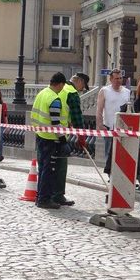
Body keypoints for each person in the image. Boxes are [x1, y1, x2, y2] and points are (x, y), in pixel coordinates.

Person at [31, 72, 68, 209]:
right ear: (60, 84)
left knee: (42, 169)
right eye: (62, 87)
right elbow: (56, 122)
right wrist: (63, 139)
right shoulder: (54, 99)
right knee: (48, 170)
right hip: (50, 139)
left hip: (40, 135)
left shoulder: (42, 94)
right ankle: (44, 199)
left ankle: (39, 196)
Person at [53, 73, 89, 206]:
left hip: (44, 133)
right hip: (59, 135)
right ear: (79, 81)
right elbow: (77, 116)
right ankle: (58, 195)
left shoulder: (54, 89)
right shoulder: (72, 92)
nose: (81, 90)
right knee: (60, 166)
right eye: (83, 87)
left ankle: (45, 194)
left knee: (48, 166)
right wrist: (81, 135)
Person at [96, 69, 131, 175]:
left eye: (120, 78)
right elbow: (99, 109)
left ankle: (120, 174)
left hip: (123, 128)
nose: (119, 80)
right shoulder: (105, 91)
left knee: (122, 153)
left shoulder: (127, 92)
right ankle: (110, 174)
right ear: (111, 79)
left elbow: (129, 110)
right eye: (116, 78)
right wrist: (100, 124)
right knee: (109, 152)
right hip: (109, 126)